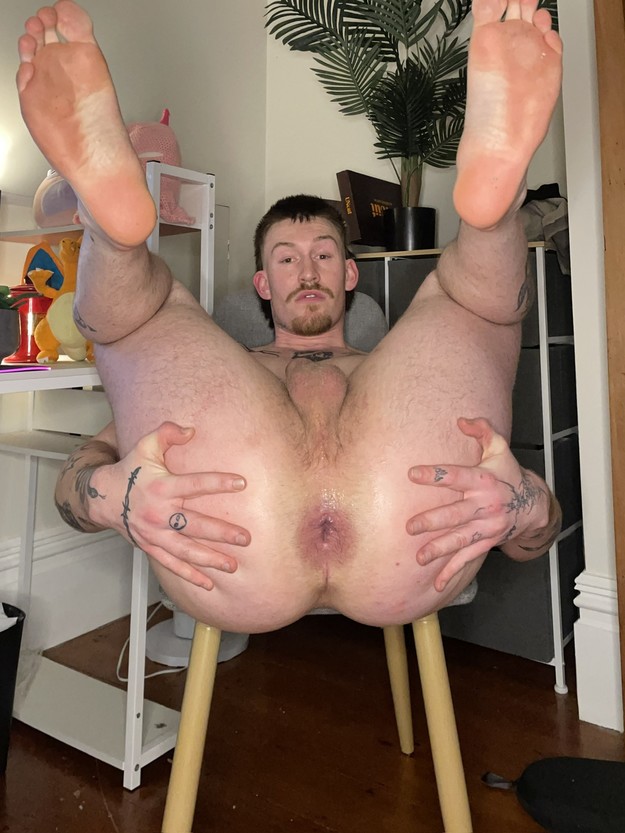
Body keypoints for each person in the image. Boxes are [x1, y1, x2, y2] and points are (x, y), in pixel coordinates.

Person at [18, 0, 563, 634]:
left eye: (325, 254)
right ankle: (114, 234)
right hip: (249, 561)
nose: (307, 271)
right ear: (262, 284)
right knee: (144, 317)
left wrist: (524, 506)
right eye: (286, 258)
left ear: (350, 275)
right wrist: (109, 499)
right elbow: (79, 476)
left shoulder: (396, 367)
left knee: (472, 306)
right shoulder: (218, 368)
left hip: (395, 554)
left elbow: (537, 538)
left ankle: (493, 212)